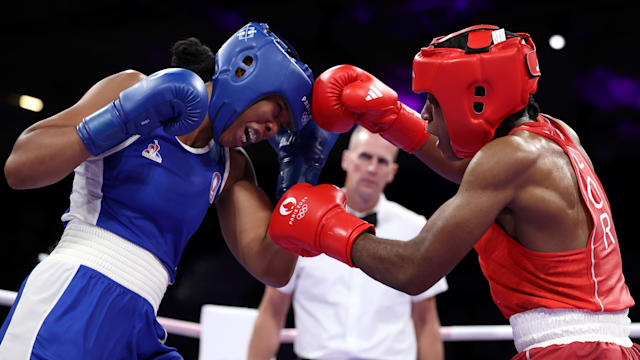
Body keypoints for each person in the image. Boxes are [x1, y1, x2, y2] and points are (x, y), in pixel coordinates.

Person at [268, 25, 640, 359]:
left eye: (433, 99)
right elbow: (469, 171)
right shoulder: (555, 135)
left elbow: (414, 269)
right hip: (600, 348)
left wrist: (325, 227)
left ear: (477, 97)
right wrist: (390, 118)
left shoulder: (511, 156)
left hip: (571, 352)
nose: (426, 114)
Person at [0, 22, 337, 359]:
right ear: (245, 73)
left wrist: (300, 181)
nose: (271, 129)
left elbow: (274, 269)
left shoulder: (232, 168)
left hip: (138, 323)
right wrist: (122, 117)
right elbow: (19, 167)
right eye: (276, 111)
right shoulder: (134, 88)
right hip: (72, 299)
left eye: (281, 127)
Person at [248, 126, 447, 360]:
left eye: (382, 161)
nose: (372, 168)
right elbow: (273, 310)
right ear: (346, 160)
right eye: (365, 156)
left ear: (392, 172)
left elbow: (426, 321)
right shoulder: (303, 219)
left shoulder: (413, 227)